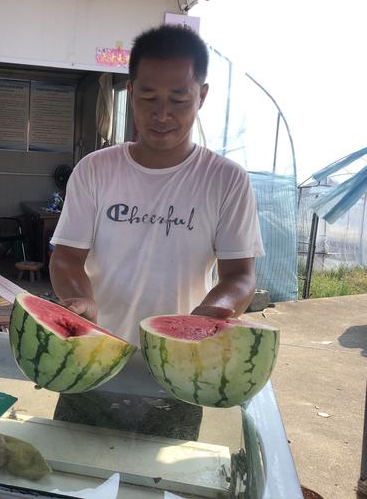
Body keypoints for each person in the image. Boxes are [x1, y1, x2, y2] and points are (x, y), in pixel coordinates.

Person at [47, 24, 265, 440]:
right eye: (148, 98)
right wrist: (79, 299)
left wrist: (211, 314)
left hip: (178, 371)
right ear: (131, 93)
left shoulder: (226, 180)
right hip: (91, 356)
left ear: (201, 96)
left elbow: (240, 275)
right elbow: (67, 256)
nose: (162, 114)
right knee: (71, 470)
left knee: (162, 481)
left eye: (179, 100)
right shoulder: (95, 170)